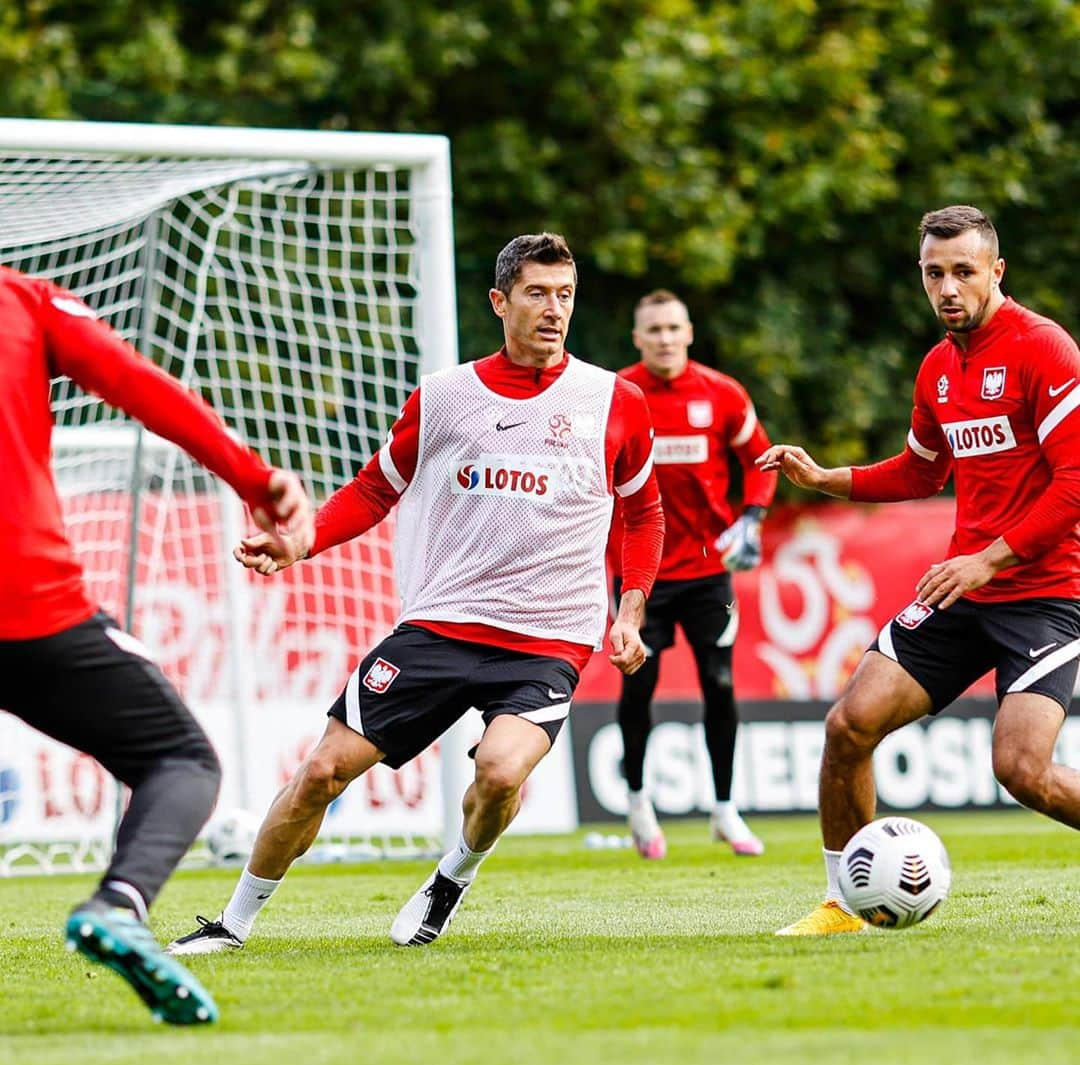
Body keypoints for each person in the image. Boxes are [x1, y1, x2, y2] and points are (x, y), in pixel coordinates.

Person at [166, 232, 665, 954]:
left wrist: (630, 608)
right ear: (499, 301)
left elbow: (643, 511)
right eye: (536, 293)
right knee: (321, 772)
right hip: (439, 625)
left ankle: (449, 880)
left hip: (547, 637)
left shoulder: (615, 401)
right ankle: (232, 924)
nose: (554, 310)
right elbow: (375, 490)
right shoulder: (443, 396)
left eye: (565, 295)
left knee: (499, 772)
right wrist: (299, 541)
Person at [0, 265, 313, 1021]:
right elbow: (139, 385)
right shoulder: (20, 299)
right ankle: (118, 904)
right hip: (26, 604)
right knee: (180, 760)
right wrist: (254, 478)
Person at [758, 204, 1080, 935]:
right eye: (934, 273)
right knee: (849, 726)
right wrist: (824, 478)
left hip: (1047, 595)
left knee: (1022, 770)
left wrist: (988, 558)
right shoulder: (940, 365)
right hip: (962, 589)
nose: (948, 288)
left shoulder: (1044, 350)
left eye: (964, 271)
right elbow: (920, 470)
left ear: (997, 271)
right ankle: (844, 905)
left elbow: (1075, 481)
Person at [608, 290, 777, 859]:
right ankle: (637, 803)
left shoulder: (721, 394)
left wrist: (751, 519)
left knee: (720, 683)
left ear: (689, 332)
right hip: (641, 573)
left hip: (709, 572)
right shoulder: (616, 395)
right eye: (652, 329)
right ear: (637, 338)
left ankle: (726, 809)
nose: (663, 337)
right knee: (640, 684)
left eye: (672, 327)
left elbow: (761, 462)